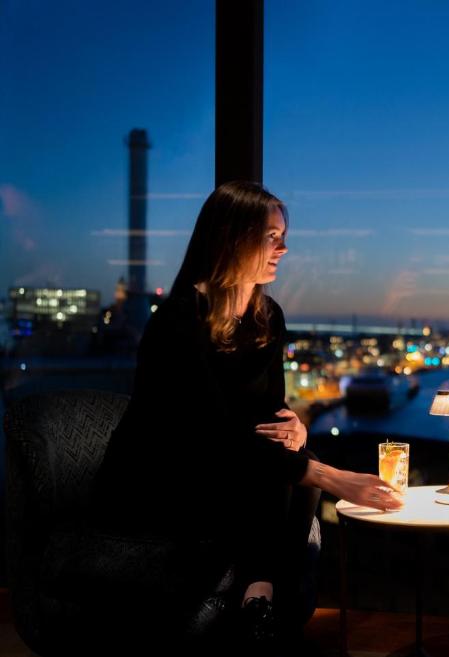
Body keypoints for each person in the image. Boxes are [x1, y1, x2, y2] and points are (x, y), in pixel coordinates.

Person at [92, 181, 402, 652]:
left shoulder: (266, 316)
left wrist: (294, 424)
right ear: (232, 237)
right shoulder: (177, 322)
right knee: (296, 475)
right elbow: (208, 432)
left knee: (289, 459)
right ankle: (261, 597)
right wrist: (333, 476)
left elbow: (266, 412)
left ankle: (258, 597)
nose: (284, 246)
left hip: (225, 463)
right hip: (161, 473)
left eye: (283, 235)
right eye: (271, 236)